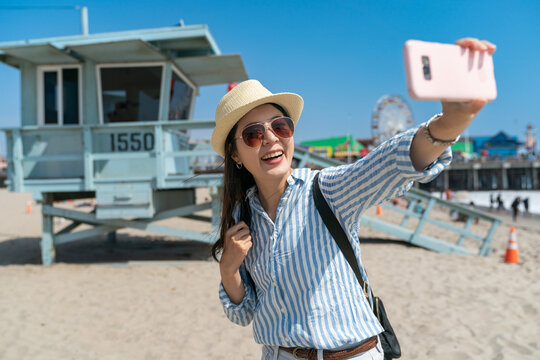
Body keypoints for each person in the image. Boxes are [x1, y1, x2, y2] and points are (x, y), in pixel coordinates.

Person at [212, 38, 496, 360]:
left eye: (281, 126)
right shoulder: (241, 216)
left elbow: (388, 166)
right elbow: (243, 313)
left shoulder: (327, 190)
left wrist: (452, 121)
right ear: (235, 154)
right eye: (254, 134)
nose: (272, 139)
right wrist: (229, 268)